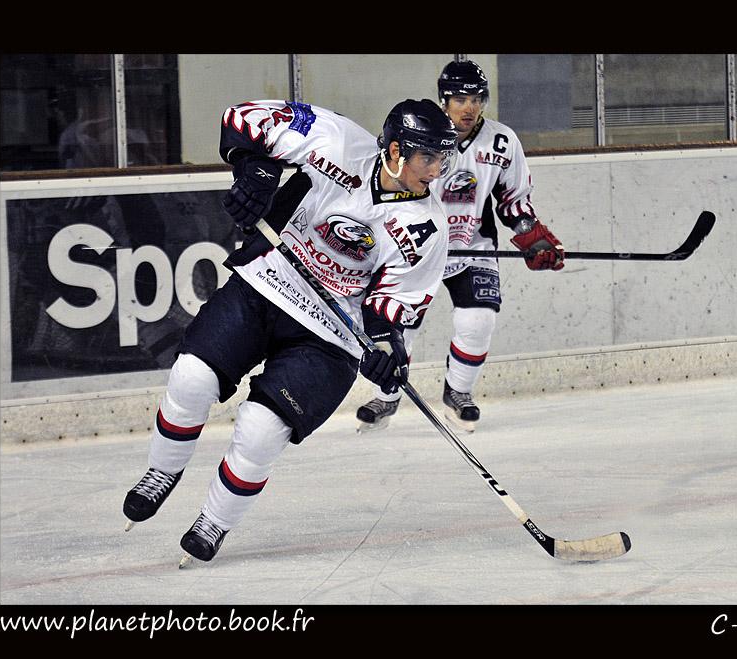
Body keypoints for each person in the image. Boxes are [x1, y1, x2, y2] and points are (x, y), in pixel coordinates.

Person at [122, 97, 457, 564]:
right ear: (396, 150)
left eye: (444, 158)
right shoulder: (336, 140)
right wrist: (256, 171)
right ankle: (162, 471)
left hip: (331, 335)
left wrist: (386, 348)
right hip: (266, 281)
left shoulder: (428, 228)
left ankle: (214, 520)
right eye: (429, 157)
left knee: (261, 430)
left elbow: (391, 306)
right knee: (191, 378)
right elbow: (243, 118)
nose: (437, 170)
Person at [356, 60, 566, 434]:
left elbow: (514, 200)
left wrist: (532, 236)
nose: (469, 108)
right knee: (397, 328)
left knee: (478, 321)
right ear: (444, 100)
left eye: (476, 99)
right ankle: (386, 396)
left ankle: (459, 392)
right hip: (414, 249)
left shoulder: (502, 142)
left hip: (473, 246)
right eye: (459, 99)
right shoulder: (422, 135)